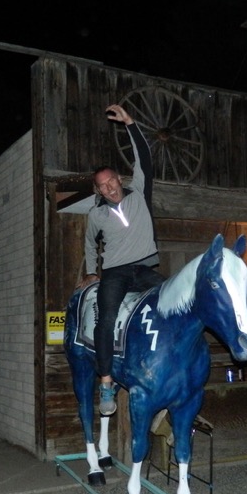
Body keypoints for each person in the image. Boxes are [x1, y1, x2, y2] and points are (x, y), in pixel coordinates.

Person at [78, 103, 165, 415]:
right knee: (106, 319)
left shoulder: (140, 192)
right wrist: (92, 272)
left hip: (145, 269)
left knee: (171, 300)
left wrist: (130, 123)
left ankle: (163, 367)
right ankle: (105, 383)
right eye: (102, 186)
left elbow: (145, 157)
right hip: (114, 272)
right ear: (98, 190)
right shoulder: (96, 214)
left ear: (118, 178)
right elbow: (90, 244)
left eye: (111, 181)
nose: (108, 187)